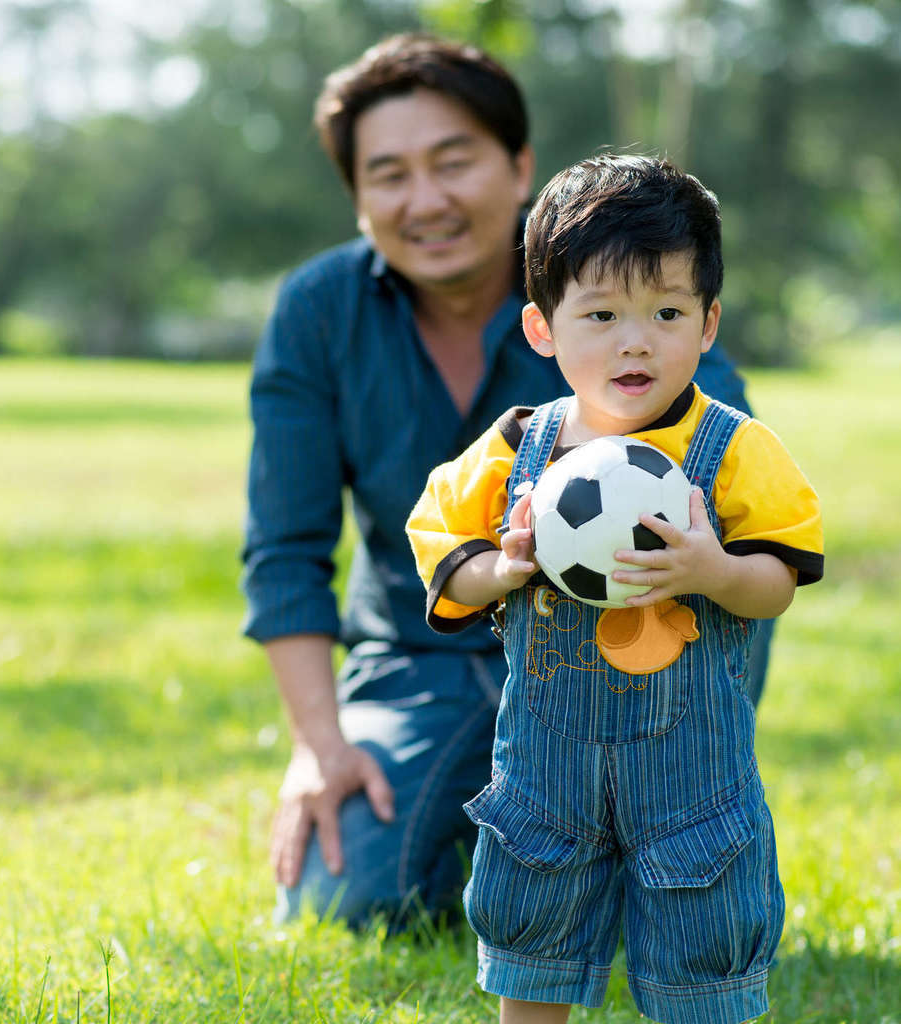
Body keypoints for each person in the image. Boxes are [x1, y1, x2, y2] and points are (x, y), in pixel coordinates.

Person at [241, 33, 767, 932]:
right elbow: (285, 552)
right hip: (420, 661)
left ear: (518, 165)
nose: (427, 199)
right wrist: (318, 748)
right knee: (347, 900)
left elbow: (727, 474)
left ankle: (650, 815)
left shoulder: (618, 290)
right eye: (390, 174)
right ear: (359, 197)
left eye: (454, 162)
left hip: (621, 649)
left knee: (656, 898)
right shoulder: (318, 310)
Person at [406, 153, 823, 1023]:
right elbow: (444, 547)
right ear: (542, 328)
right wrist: (506, 565)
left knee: (702, 936)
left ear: (708, 324)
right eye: (600, 314)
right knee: (532, 932)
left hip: (693, 778)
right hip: (546, 772)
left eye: (666, 312)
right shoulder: (519, 447)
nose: (635, 341)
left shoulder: (736, 449)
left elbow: (775, 582)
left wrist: (714, 570)